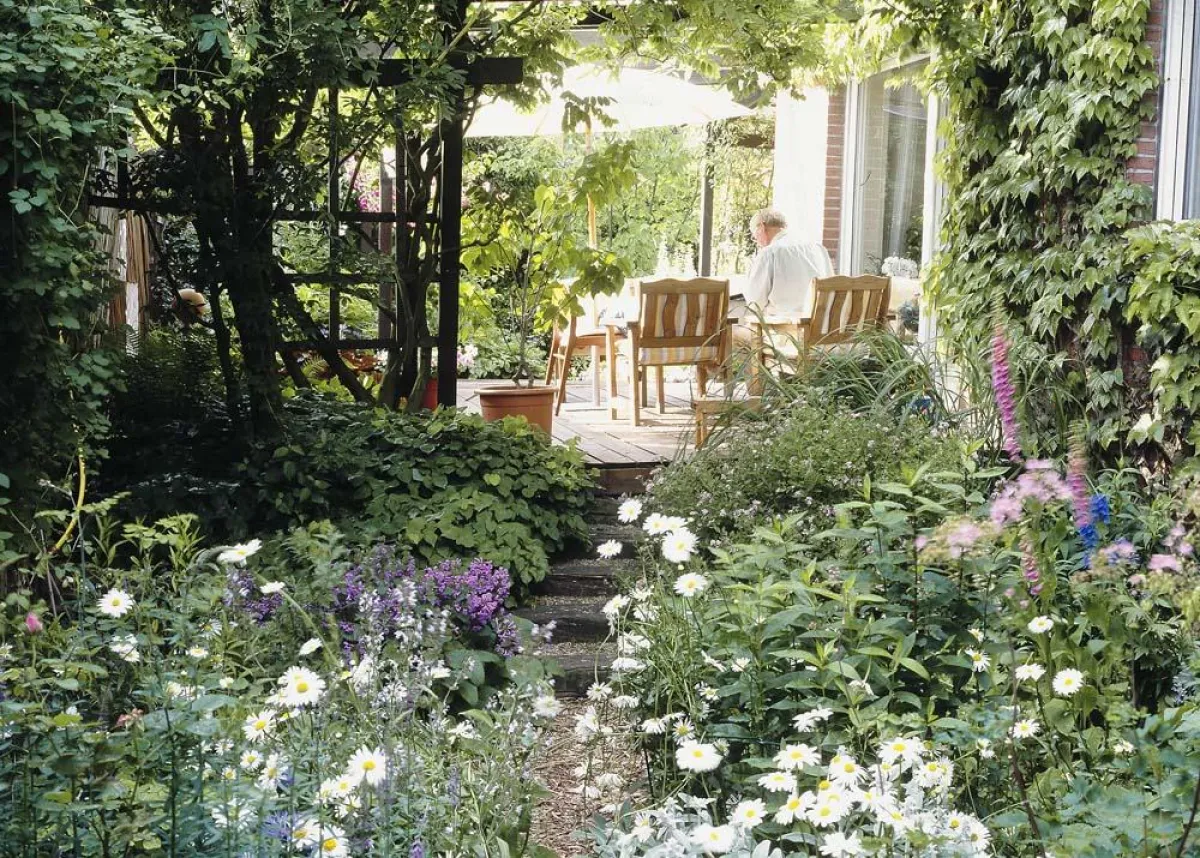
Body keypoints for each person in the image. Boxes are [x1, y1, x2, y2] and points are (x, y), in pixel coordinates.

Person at [741, 208, 833, 319]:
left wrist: (750, 271)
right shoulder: (818, 248)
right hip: (822, 326)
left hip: (786, 330)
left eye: (754, 236)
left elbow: (754, 305)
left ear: (761, 227)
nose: (756, 241)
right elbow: (831, 286)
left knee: (737, 333)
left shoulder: (770, 253)